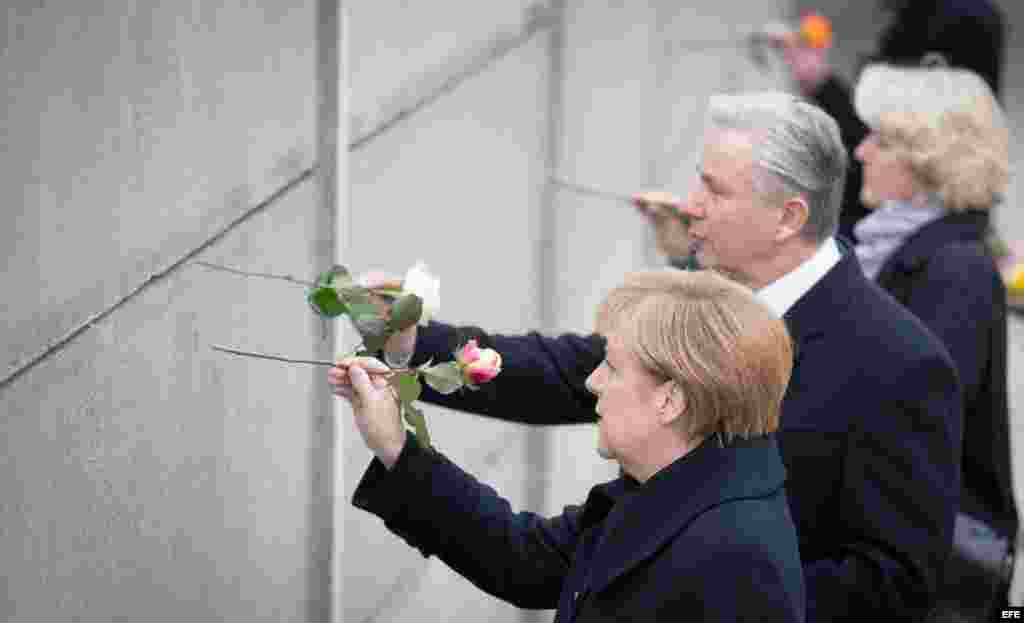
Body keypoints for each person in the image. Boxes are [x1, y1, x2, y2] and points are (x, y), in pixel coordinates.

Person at [363, 92, 961, 621]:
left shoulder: (901, 362)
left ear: (788, 217)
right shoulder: (709, 304)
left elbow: (896, 583)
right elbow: (564, 374)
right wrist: (411, 346)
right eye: (699, 182)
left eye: (715, 189)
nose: (691, 204)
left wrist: (708, 584)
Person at [331, 270, 806, 622]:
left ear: (671, 399)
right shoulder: (674, 484)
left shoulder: (736, 559)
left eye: (612, 367)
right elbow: (527, 560)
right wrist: (395, 445)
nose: (593, 381)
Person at [852, 62, 1017, 619]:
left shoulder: (954, 267)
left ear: (927, 158)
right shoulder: (897, 250)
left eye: (880, 140)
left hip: (933, 564)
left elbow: (917, 418)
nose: (860, 152)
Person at [777, 0, 1005, 242]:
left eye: (881, 142)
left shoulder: (962, 16)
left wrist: (824, 87)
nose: (863, 152)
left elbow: (911, 133)